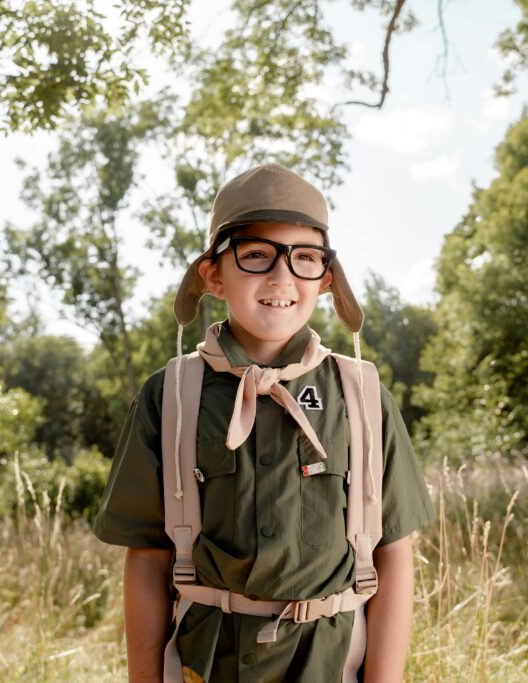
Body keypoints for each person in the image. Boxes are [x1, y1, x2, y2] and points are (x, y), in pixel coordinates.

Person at [93, 163, 435, 682]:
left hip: (330, 662)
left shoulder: (361, 396)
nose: (281, 278)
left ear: (325, 279)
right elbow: (147, 558)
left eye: (304, 258)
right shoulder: (173, 396)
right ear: (213, 274)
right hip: (208, 664)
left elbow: (393, 554)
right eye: (256, 255)